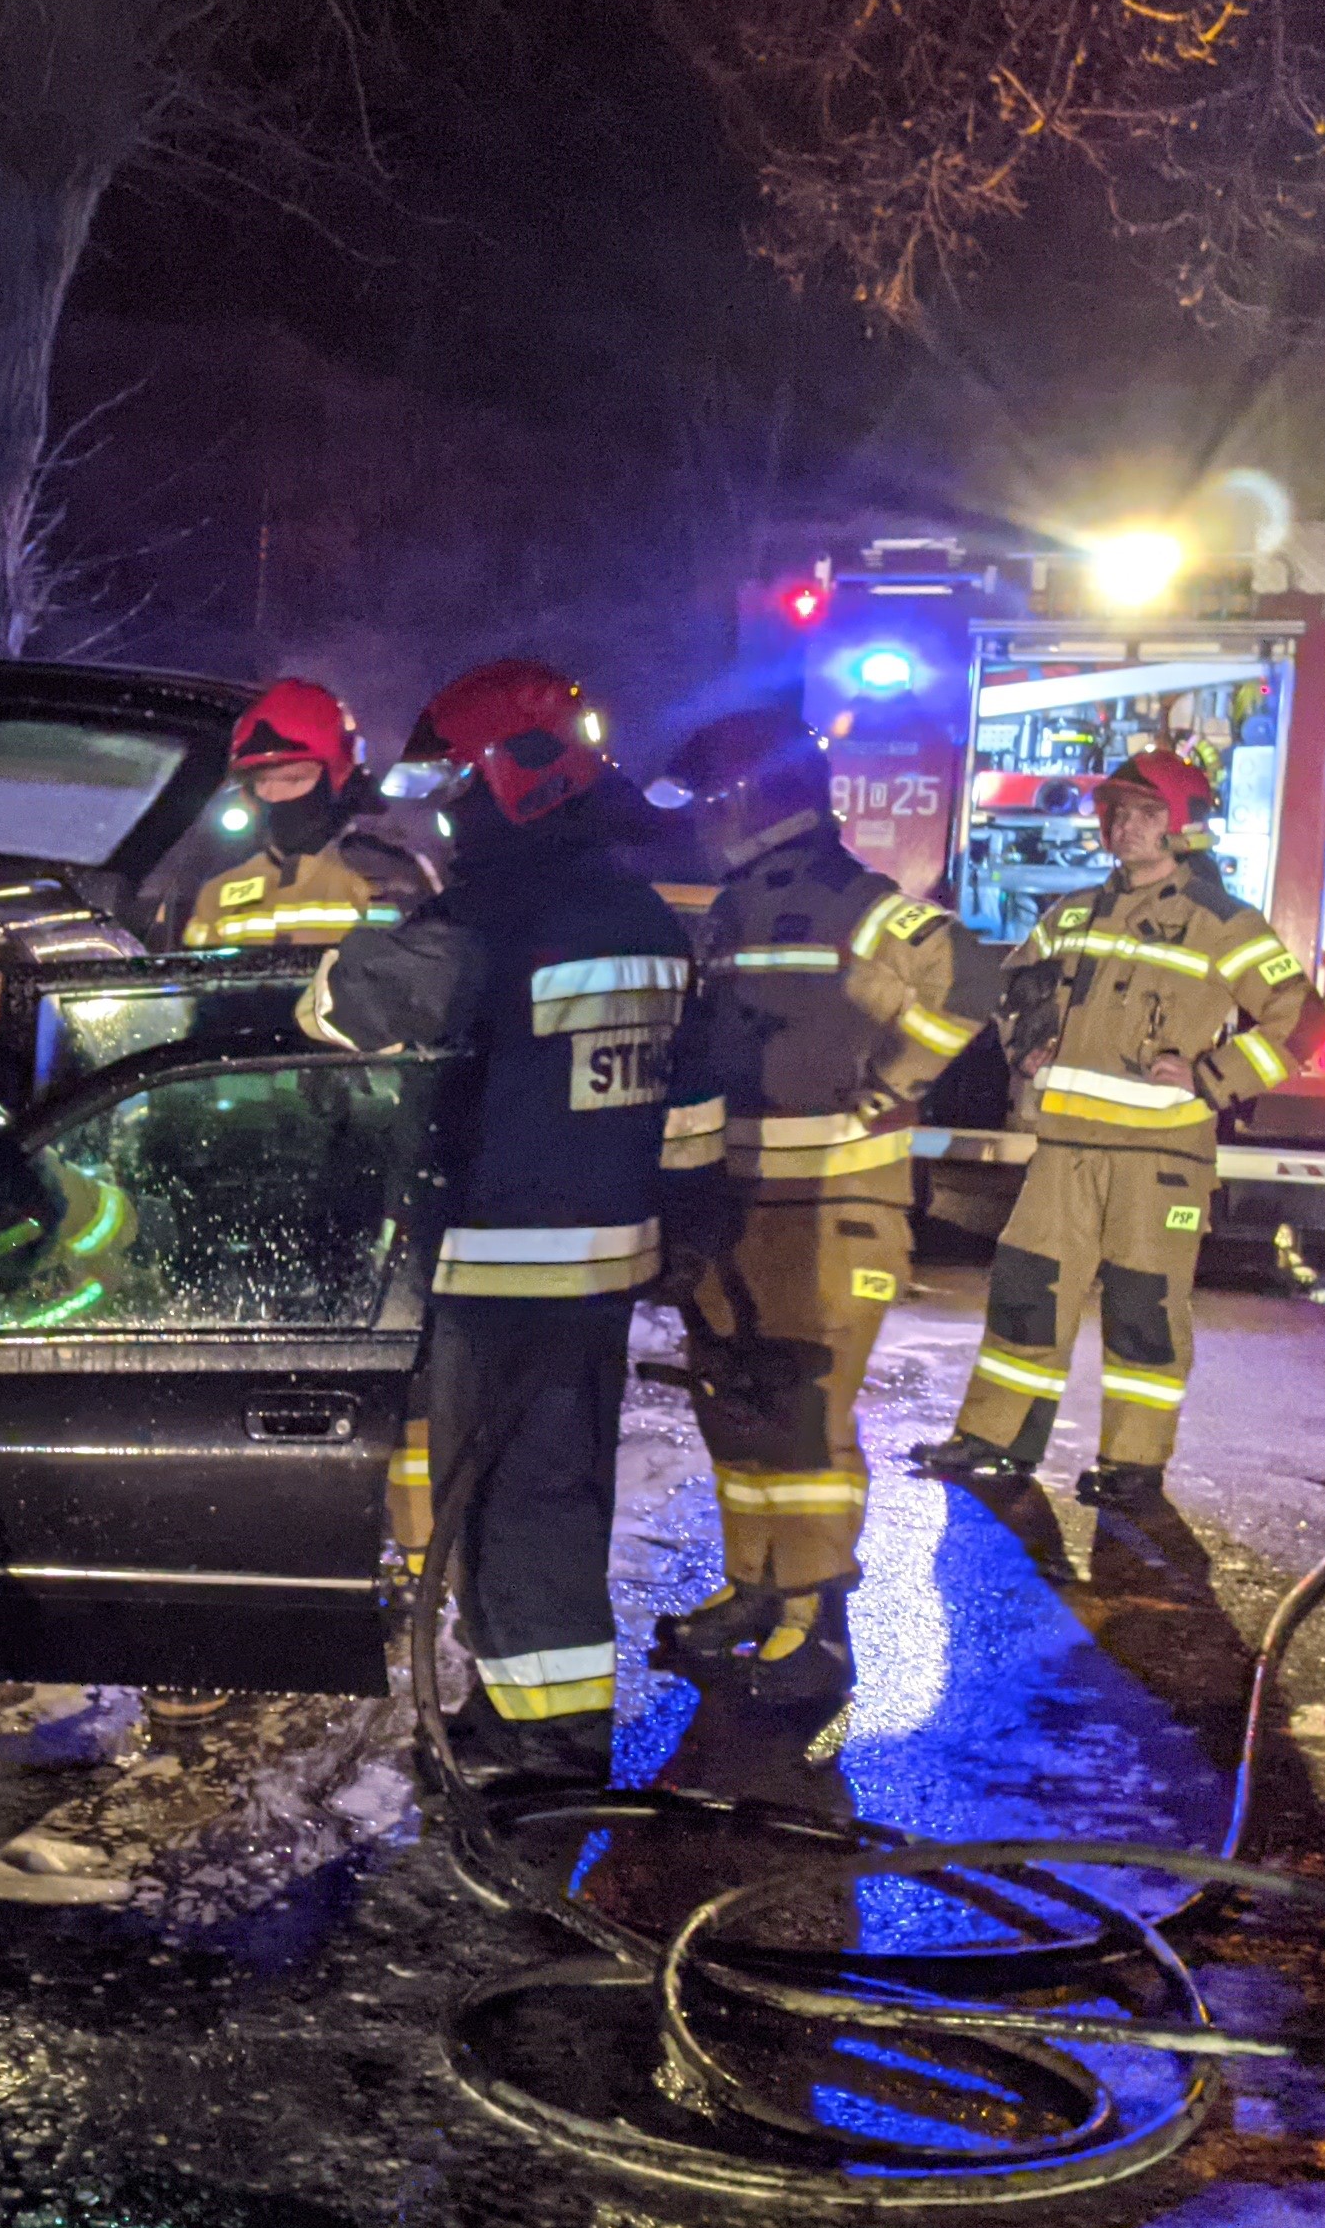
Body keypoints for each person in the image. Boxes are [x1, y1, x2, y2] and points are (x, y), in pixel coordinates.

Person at [299, 660, 717, 1785]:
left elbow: (341, 1010)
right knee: (557, 1494)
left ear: (514, 778)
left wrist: (375, 931)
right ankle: (532, 1713)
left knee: (507, 1504)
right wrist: (686, 1227)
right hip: (604, 1262)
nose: (445, 811)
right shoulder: (645, 916)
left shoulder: (492, 918)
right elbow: (691, 1102)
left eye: (456, 786)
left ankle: (551, 1745)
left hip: (502, 1267)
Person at [652, 703, 982, 1706]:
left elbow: (968, 979)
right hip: (738, 1203)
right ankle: (753, 1589)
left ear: (755, 798)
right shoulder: (733, 908)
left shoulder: (860, 906)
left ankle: (815, 1623)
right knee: (737, 1400)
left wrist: (886, 1084)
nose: (703, 819)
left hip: (830, 1203)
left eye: (713, 800)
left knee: (807, 1415)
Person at [911, 749, 1317, 1507]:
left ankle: (1133, 1465)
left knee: (1143, 1312)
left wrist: (1211, 1077)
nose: (1125, 826)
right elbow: (1018, 987)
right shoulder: (1072, 914)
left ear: (1183, 825)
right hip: (1064, 1152)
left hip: (1160, 1161)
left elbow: (1302, 1020)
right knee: (1026, 1296)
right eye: (1117, 812)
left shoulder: (1225, 924)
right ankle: (995, 1442)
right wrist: (1028, 1042)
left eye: (1146, 813)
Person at [141, 678, 435, 953]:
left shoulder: (390, 877)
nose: (273, 795)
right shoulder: (216, 887)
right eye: (262, 781)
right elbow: (186, 982)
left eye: (293, 779)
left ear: (338, 777)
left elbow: (423, 977)